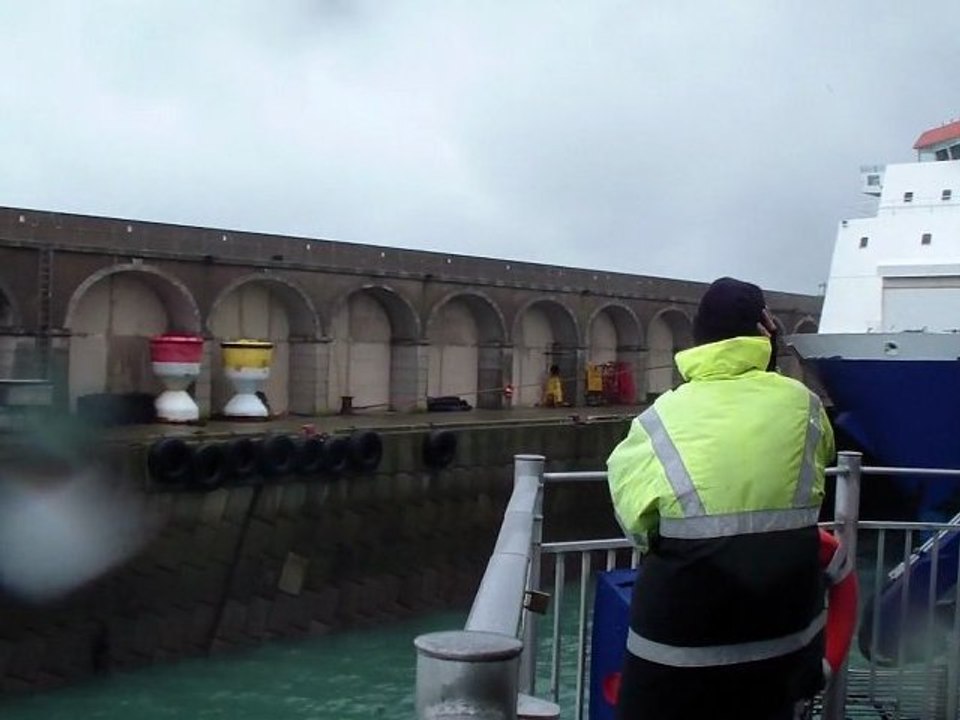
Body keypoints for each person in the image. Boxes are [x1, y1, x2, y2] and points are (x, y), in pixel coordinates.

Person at [606, 277, 836, 720]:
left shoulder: (659, 419)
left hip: (678, 653)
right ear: (765, 330)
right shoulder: (804, 406)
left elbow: (638, 527)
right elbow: (807, 482)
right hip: (784, 647)